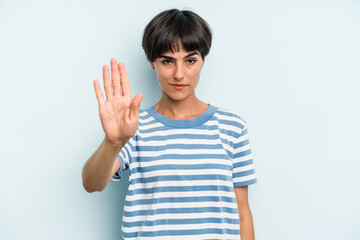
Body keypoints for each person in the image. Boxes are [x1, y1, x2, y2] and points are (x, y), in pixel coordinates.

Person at [82, 8, 257, 240]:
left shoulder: (232, 128)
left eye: (190, 60)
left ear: (203, 60)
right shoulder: (133, 127)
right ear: (153, 63)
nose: (178, 74)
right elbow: (92, 183)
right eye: (167, 61)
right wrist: (113, 141)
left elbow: (242, 214)